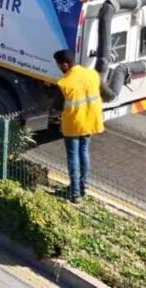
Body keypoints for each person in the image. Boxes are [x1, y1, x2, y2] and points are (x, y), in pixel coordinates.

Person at [54, 49, 104, 204]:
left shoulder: (63, 83)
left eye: (58, 65)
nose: (58, 68)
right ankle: (82, 187)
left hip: (74, 123)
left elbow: (57, 105)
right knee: (84, 152)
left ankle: (74, 193)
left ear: (65, 64)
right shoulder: (92, 74)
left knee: (73, 156)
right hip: (90, 120)